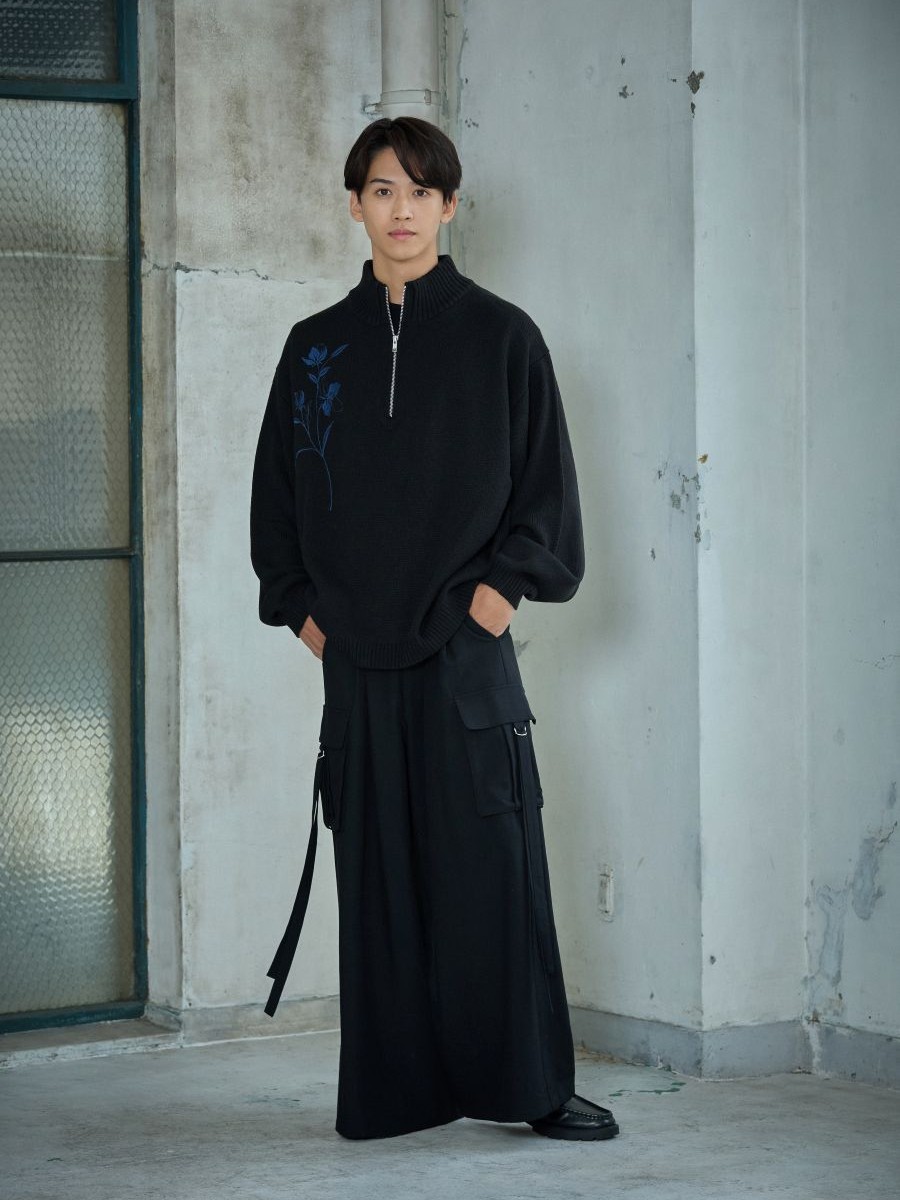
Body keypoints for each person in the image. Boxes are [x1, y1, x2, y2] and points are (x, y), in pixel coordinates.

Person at [250, 116, 619, 1143]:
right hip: (356, 663)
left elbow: (546, 495)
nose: (401, 209)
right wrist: (307, 618)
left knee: (493, 876)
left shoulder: (504, 337)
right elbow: (275, 506)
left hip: (464, 658)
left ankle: (531, 1087)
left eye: (420, 191)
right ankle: (395, 1095)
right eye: (382, 190)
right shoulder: (314, 349)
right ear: (355, 205)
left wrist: (494, 602)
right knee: (379, 883)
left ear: (449, 206)